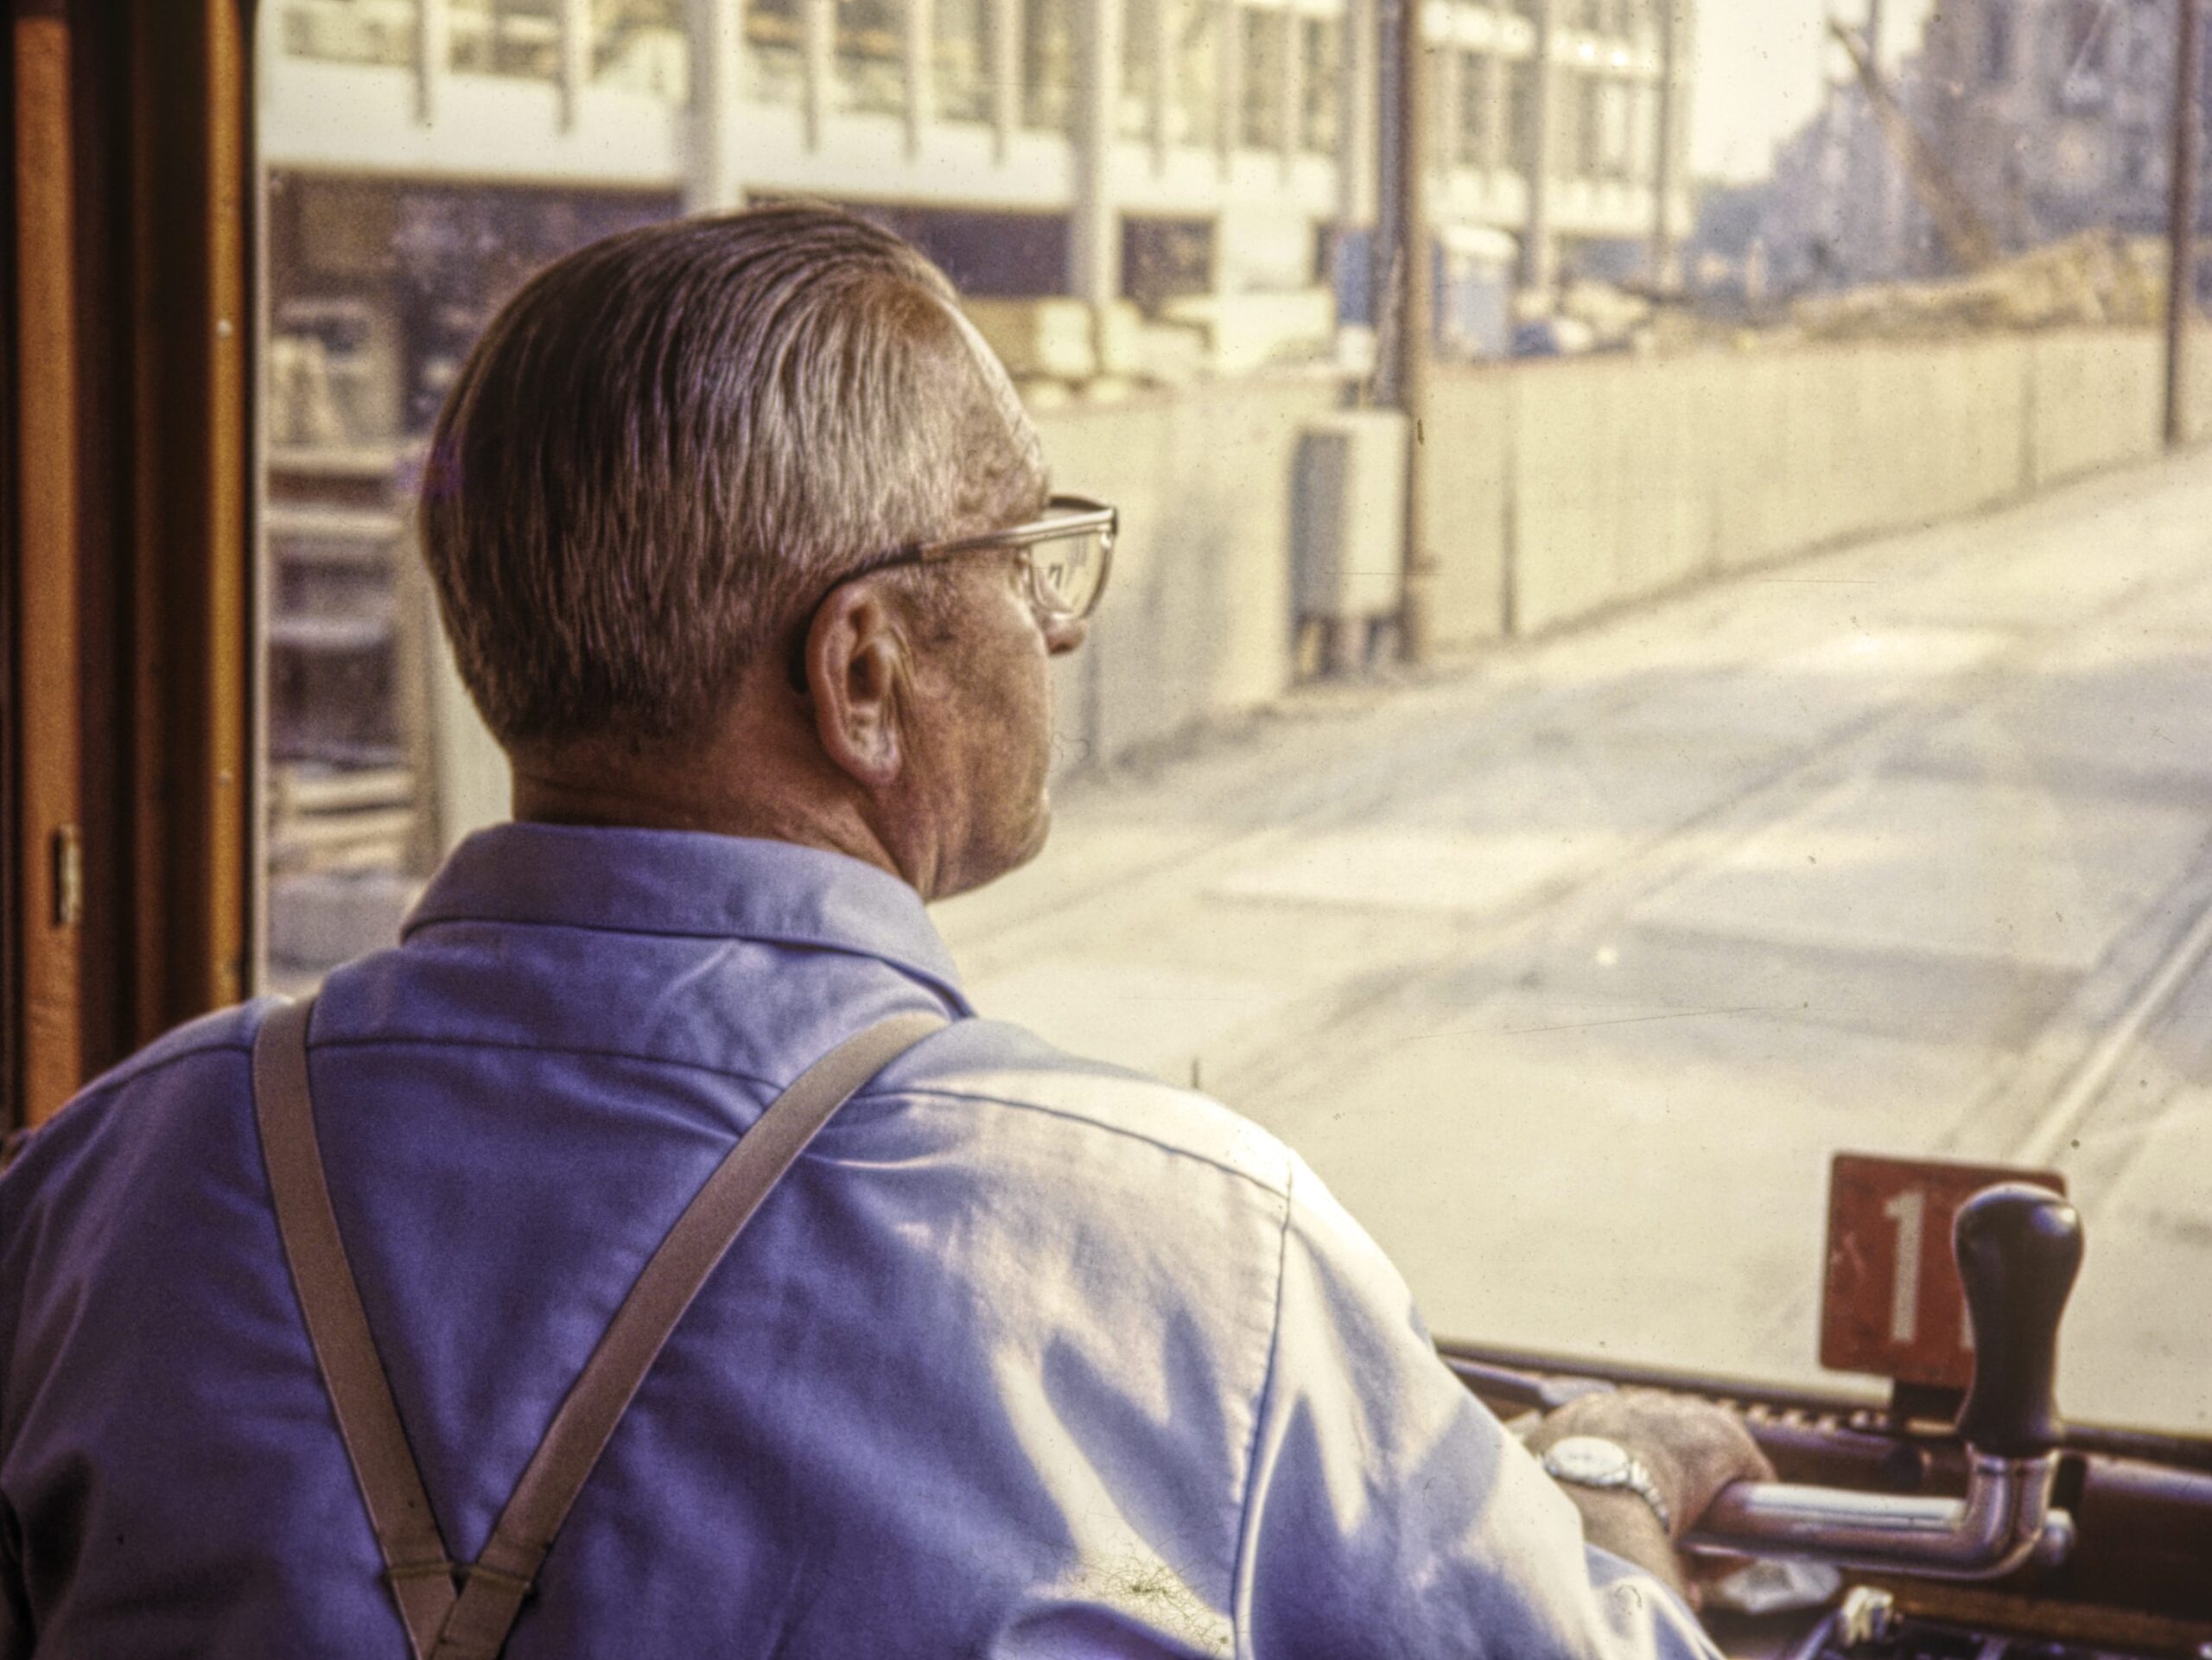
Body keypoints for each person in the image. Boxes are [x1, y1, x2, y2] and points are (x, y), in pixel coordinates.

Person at [0, 203, 1768, 1657]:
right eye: (1024, 551)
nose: (1059, 627)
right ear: (860, 673)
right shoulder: (1190, 1262)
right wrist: (1602, 1478)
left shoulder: (109, 1179)